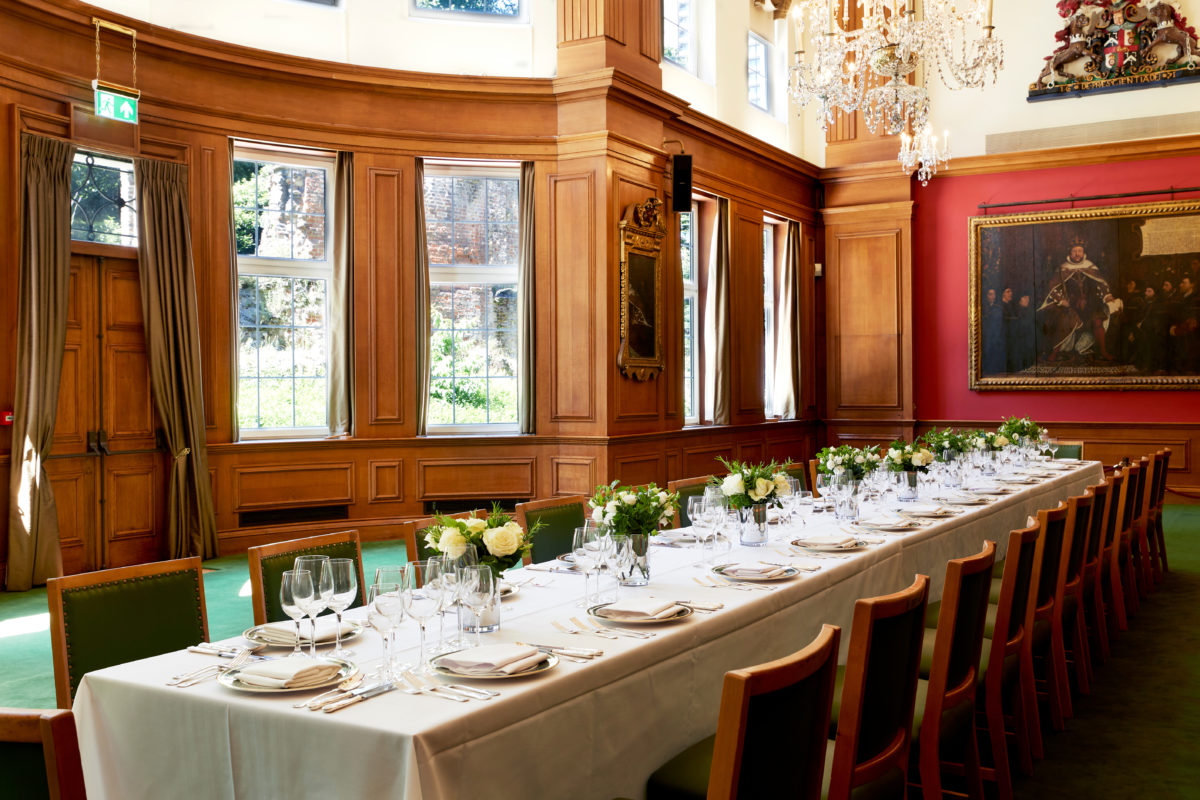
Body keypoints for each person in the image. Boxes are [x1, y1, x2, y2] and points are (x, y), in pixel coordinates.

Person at [1037, 239, 1113, 363]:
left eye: (1080, 251)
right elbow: (1053, 288)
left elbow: (1100, 284)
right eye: (1074, 251)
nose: (1077, 254)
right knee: (1064, 320)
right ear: (1070, 253)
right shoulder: (1063, 269)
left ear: (1083, 252)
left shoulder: (1090, 266)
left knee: (1098, 320)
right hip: (1071, 304)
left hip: (1090, 303)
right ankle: (1054, 353)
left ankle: (1103, 352)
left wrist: (1107, 295)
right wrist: (1062, 300)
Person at [1168, 275, 1199, 373]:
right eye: (1181, 283)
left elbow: (1193, 319)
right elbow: (1176, 315)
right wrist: (1173, 326)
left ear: (1192, 285)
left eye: (1184, 282)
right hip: (1179, 327)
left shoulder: (1196, 299)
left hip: (1190, 330)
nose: (1181, 285)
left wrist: (1177, 328)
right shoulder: (1180, 298)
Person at [982, 287, 1006, 374]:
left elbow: (1000, 325)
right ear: (987, 295)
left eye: (994, 294)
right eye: (990, 294)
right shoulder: (983, 308)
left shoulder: (998, 309)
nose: (993, 296)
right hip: (986, 336)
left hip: (996, 335)